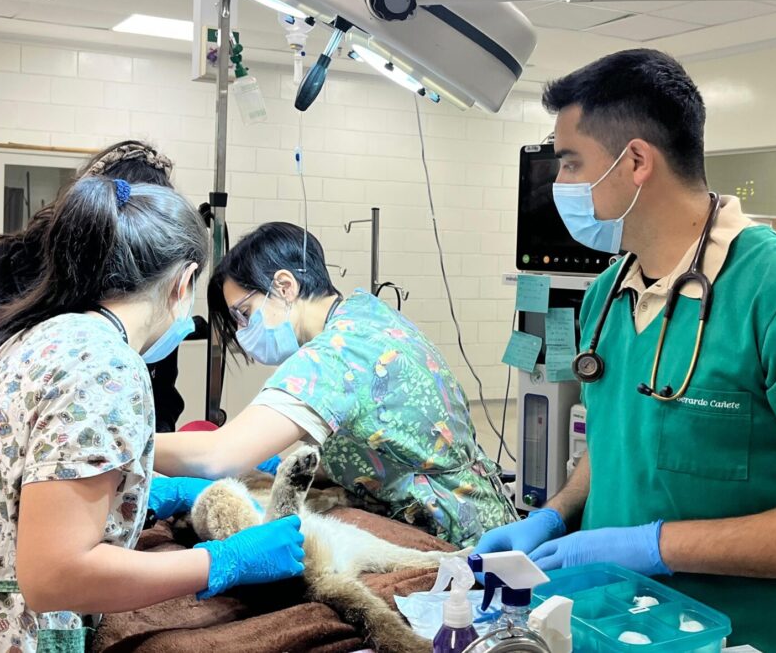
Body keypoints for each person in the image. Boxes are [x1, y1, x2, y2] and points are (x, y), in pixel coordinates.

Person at [473, 49, 776, 652]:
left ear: (635, 162)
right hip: (611, 627)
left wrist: (654, 546)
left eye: (572, 163)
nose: (560, 186)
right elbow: (619, 442)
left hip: (745, 639)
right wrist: (556, 514)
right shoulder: (608, 293)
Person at [0, 178, 304, 653]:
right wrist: (225, 560)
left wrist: (141, 489)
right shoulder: (106, 363)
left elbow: (44, 474)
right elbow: (56, 575)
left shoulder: (38, 335)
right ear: (183, 281)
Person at [153, 222, 517, 547]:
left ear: (284, 286)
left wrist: (124, 445)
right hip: (487, 514)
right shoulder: (365, 314)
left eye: (244, 315)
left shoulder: (335, 354)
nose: (244, 333)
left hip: (457, 538)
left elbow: (220, 454)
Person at [0, 141, 188, 489]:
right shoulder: (2, 267)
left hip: (96, 487)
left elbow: (161, 400)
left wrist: (142, 470)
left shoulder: (146, 287)